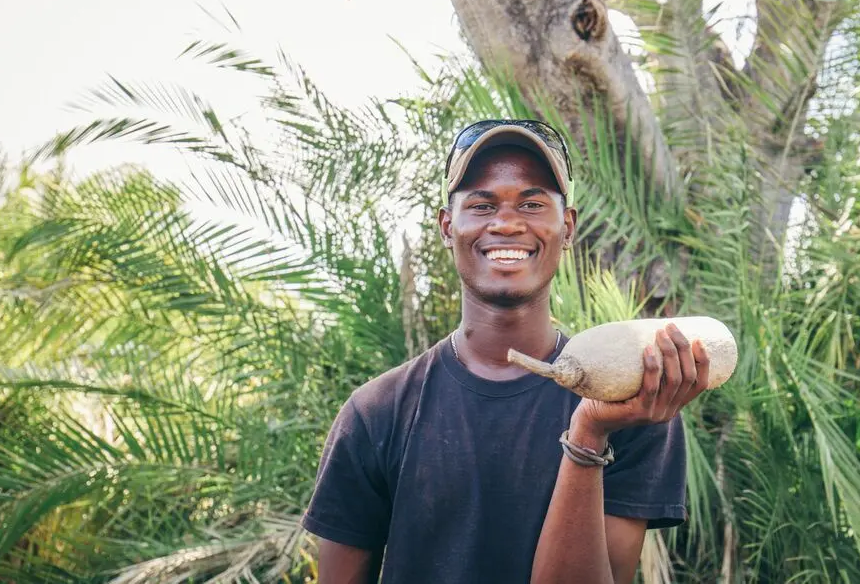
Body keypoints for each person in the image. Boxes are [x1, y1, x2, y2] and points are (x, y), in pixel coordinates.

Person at [301, 119, 711, 583]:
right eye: (482, 205)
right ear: (447, 226)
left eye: (532, 204)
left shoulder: (633, 402)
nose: (507, 223)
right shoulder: (377, 412)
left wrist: (589, 433)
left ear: (567, 227)